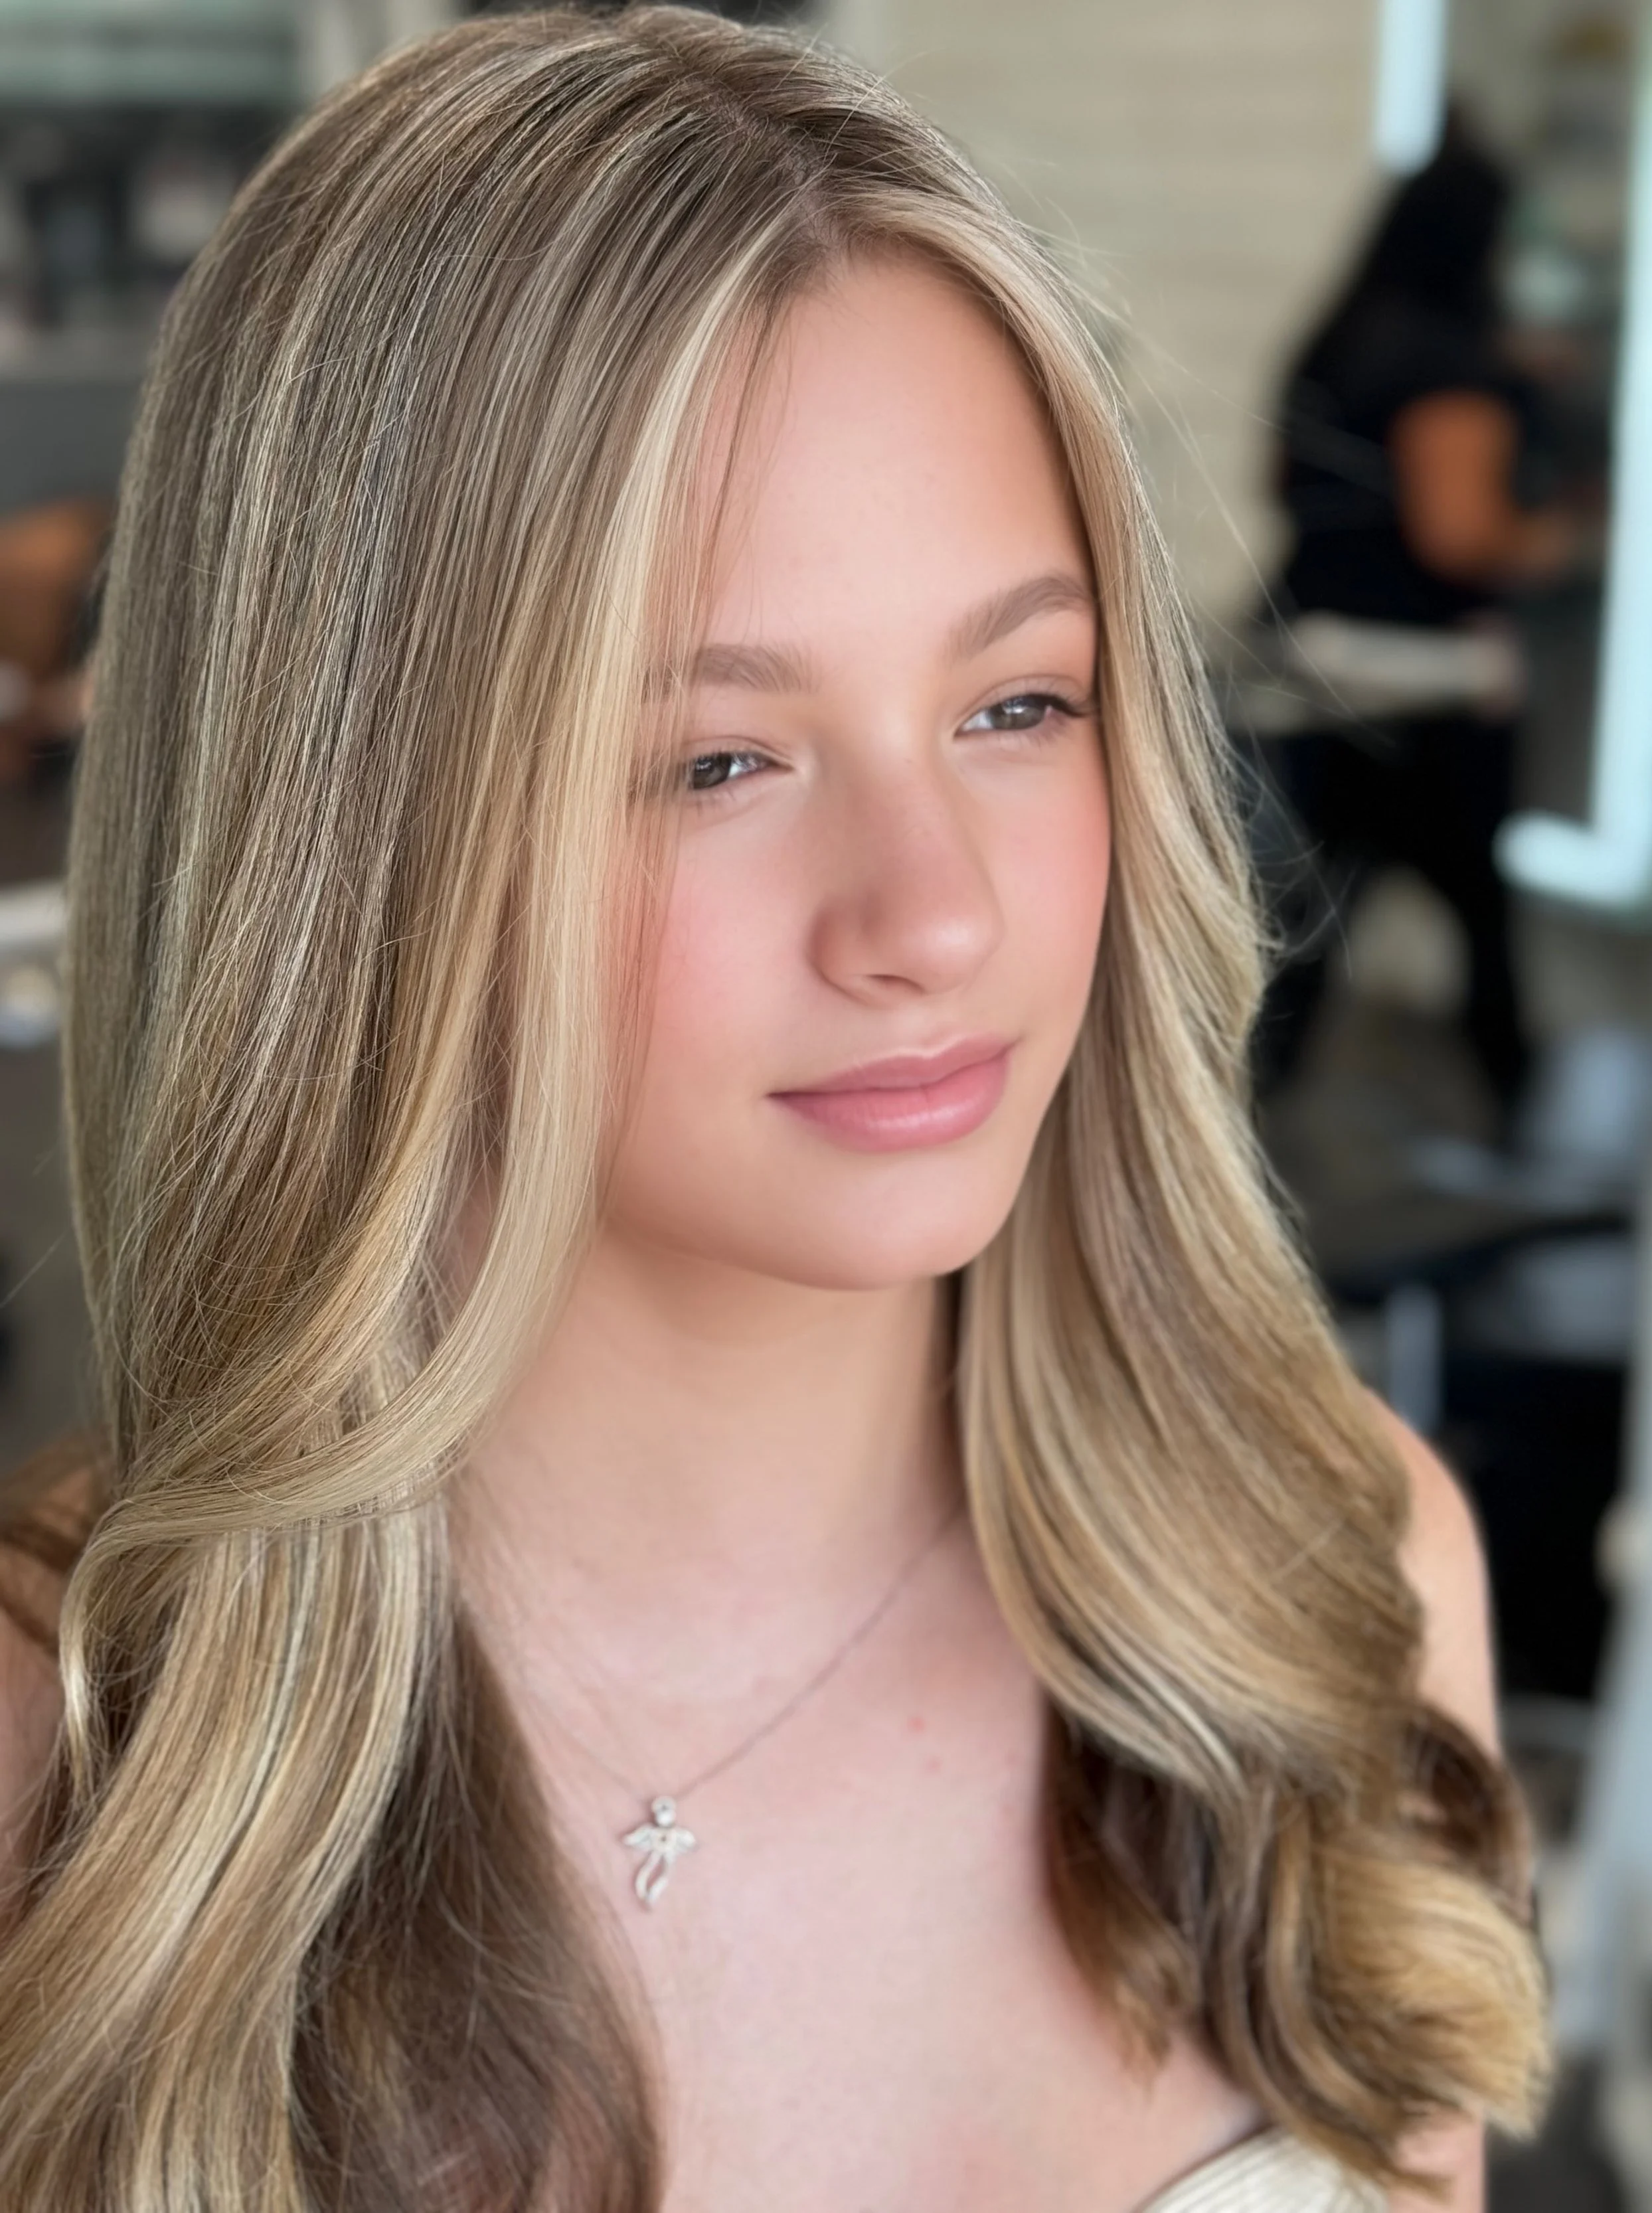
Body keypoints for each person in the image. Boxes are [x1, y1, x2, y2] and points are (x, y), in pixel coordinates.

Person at [0, 13, 1549, 2210]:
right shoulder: (56, 1780)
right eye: (717, 759)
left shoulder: (1326, 1584)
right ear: (345, 841)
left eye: (1019, 704)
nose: (937, 913)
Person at [1252, 111, 1596, 1131]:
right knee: (1478, 920)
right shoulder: (1449, 371)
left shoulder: (1338, 340)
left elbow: (1285, 489)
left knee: (1310, 919)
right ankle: (1521, 1121)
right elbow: (1463, 534)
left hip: (1319, 670)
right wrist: (1567, 537)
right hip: (1426, 694)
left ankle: (1241, 1130)